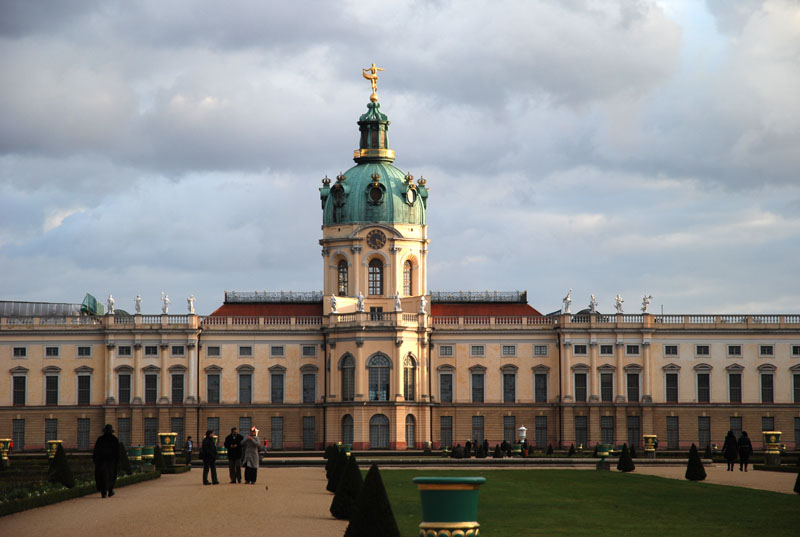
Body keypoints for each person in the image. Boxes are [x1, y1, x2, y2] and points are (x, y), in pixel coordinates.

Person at [93, 424, 120, 498]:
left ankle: (103, 492)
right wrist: (117, 461)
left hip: (101, 461)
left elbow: (96, 451)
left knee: (101, 476)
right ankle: (110, 491)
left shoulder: (100, 439)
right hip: (111, 461)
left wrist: (95, 460)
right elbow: (117, 452)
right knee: (111, 476)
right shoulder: (114, 439)